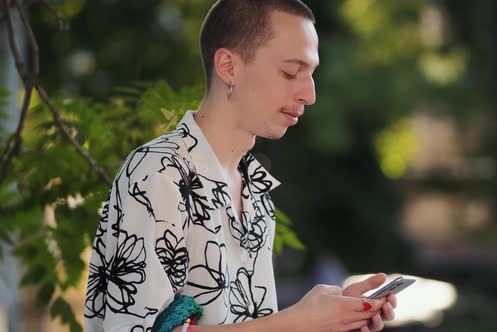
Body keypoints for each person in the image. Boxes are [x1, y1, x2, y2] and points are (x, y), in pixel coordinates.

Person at [84, 0, 397, 331]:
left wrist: (328, 321)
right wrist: (297, 322)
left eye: (311, 73)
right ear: (229, 66)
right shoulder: (158, 173)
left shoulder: (256, 191)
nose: (310, 93)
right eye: (291, 72)